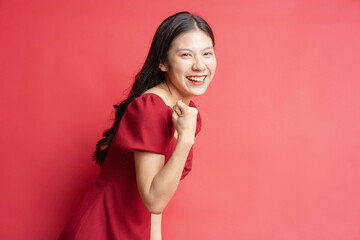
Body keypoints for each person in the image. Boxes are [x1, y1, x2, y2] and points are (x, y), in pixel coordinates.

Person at [59, 11, 216, 240]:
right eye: (186, 55)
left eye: (207, 53)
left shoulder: (183, 112)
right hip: (101, 230)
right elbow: (154, 200)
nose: (200, 65)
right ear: (163, 62)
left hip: (132, 231)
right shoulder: (151, 108)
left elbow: (156, 202)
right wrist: (185, 140)